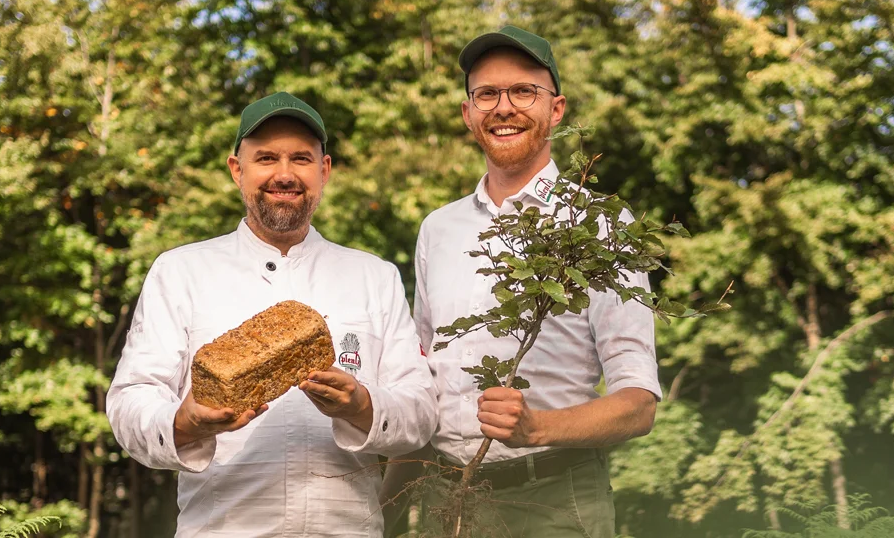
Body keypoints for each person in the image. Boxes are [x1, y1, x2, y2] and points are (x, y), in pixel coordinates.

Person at [107, 92, 437, 537]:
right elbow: (130, 402)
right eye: (265, 158)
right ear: (236, 170)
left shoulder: (373, 276)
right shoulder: (180, 270)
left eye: (301, 158)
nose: (284, 174)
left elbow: (420, 411)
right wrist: (184, 423)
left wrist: (361, 405)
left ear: (324, 170)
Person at [381, 26, 661, 537]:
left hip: (554, 501)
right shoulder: (438, 230)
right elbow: (421, 383)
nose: (503, 107)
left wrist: (537, 428)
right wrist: (385, 513)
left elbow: (639, 404)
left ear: (556, 109)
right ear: (468, 113)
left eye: (524, 91)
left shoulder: (599, 225)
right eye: (487, 94)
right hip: (446, 501)